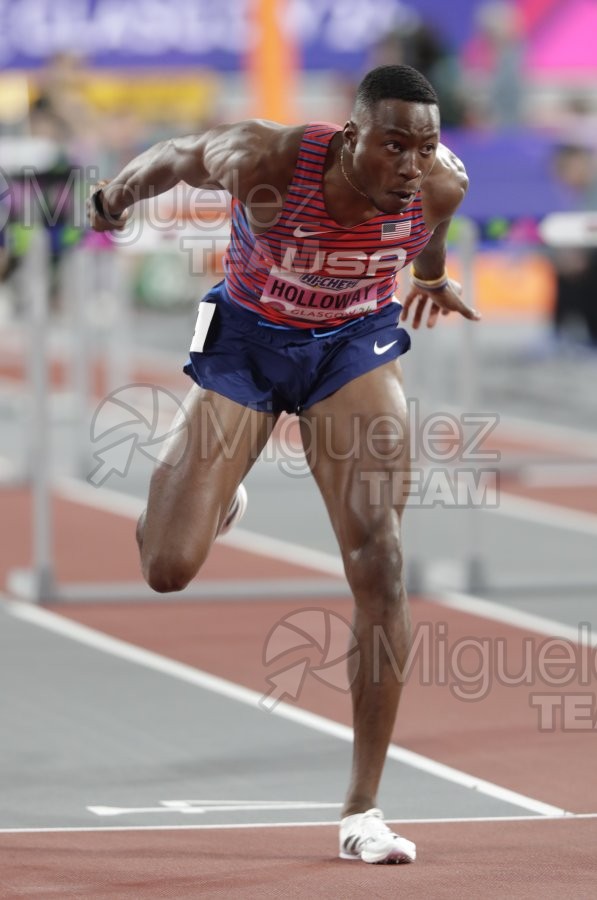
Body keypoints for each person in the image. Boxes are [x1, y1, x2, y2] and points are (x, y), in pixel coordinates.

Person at [88, 64, 480, 865]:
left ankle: (363, 810)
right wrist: (115, 197)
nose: (409, 165)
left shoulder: (437, 184)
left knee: (381, 558)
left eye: (424, 148)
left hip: (351, 347)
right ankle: (216, 492)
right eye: (392, 145)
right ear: (348, 138)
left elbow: (428, 235)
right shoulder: (264, 160)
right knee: (167, 564)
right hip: (247, 342)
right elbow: (172, 154)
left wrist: (433, 281)